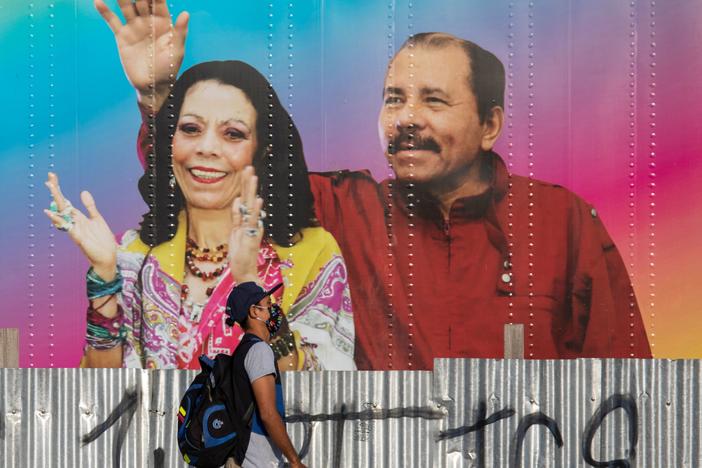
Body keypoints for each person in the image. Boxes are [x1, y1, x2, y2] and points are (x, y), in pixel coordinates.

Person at [103, 1, 651, 368]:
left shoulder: (558, 221)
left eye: (433, 100)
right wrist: (159, 96)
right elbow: (213, 177)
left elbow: (627, 383)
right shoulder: (345, 209)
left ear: (490, 125)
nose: (407, 118)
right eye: (394, 99)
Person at [44, 43, 355, 370]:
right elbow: (100, 396)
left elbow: (314, 387)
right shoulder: (132, 254)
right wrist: (105, 277)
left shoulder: (311, 253)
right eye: (191, 129)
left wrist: (250, 282)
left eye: (233, 134)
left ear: (262, 149)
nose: (207, 148)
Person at [224, 281, 307, 468]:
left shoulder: (243, 350)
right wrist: (294, 461)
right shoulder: (259, 351)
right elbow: (268, 414)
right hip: (256, 459)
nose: (274, 311)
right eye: (268, 305)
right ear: (254, 312)